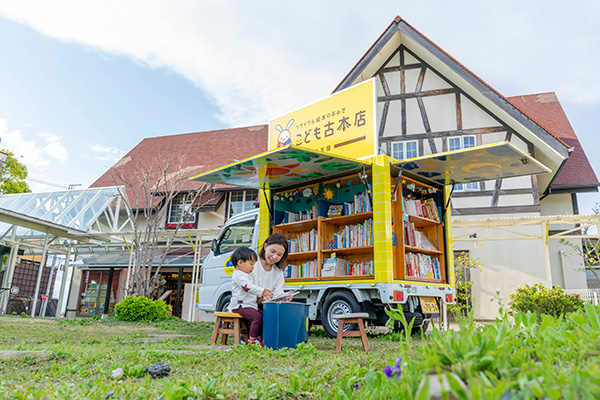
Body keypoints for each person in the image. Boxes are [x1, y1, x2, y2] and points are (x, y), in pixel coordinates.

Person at [227, 246, 271, 345]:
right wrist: (262, 290)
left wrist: (260, 297)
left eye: (254, 265)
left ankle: (259, 337)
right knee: (257, 318)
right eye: (251, 264)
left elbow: (250, 291)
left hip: (249, 305)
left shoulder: (245, 275)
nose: (252, 267)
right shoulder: (238, 275)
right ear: (240, 262)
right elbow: (247, 287)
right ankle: (252, 340)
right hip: (240, 306)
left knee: (262, 315)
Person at [251, 233, 289, 303]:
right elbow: (246, 294)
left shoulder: (278, 272)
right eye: (273, 251)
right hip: (249, 306)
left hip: (268, 307)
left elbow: (278, 295)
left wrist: (283, 299)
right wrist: (260, 300)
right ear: (265, 246)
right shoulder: (252, 266)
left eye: (279, 255)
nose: (274, 257)